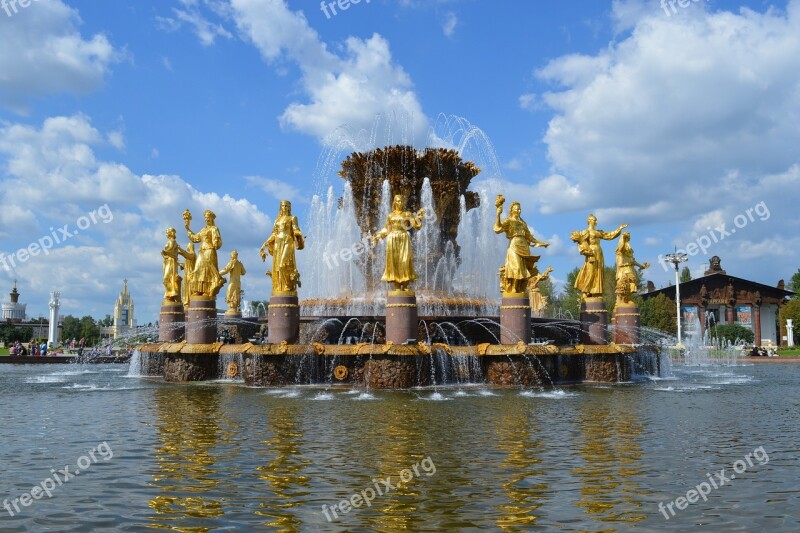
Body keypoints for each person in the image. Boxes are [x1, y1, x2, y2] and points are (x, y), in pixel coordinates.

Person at [493, 195, 549, 294]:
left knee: (523, 269)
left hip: (524, 246)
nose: (519, 211)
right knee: (516, 267)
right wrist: (498, 215)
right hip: (514, 245)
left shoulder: (523, 223)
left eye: (520, 209)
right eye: (516, 209)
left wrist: (540, 243)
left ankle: (519, 288)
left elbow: (529, 236)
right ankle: (513, 288)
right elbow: (498, 229)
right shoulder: (508, 221)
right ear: (511, 210)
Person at [372, 195, 424, 292]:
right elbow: (387, 229)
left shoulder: (407, 214)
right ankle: (396, 285)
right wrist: (378, 236)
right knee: (394, 261)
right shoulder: (390, 216)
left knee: (405, 260)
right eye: (398, 201)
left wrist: (420, 217)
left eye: (401, 201)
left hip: (403, 238)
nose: (400, 203)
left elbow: (416, 226)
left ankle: (405, 284)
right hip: (392, 239)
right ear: (395, 203)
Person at [572, 214, 627, 299]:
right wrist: (585, 251)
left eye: (596, 220)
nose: (596, 222)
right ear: (589, 221)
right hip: (591, 253)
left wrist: (619, 229)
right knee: (590, 272)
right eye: (594, 220)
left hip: (599, 253)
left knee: (598, 272)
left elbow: (609, 235)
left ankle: (595, 292)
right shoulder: (586, 232)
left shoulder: (598, 232)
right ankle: (585, 291)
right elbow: (581, 242)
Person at [261, 200, 304, 294]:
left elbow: (295, 230)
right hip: (277, 243)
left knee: (282, 265)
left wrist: (300, 234)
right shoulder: (277, 220)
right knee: (277, 267)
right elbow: (274, 234)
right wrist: (265, 243)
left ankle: (288, 285)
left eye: (287, 206)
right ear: (280, 207)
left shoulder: (292, 218)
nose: (285, 207)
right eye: (283, 206)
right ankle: (279, 288)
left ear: (289, 208)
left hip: (288, 241)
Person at [184, 209, 225, 299]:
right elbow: (195, 238)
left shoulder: (214, 229)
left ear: (212, 219)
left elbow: (217, 242)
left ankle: (207, 290)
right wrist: (188, 228)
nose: (206, 220)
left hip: (209, 251)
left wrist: (215, 243)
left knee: (207, 271)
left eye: (208, 218)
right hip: (202, 251)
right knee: (198, 269)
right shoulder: (203, 229)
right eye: (205, 218)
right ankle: (198, 290)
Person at [614, 232, 650, 304]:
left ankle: (628, 299)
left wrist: (641, 266)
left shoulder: (629, 247)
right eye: (627, 236)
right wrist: (622, 238)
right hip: (623, 269)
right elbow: (620, 249)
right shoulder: (621, 248)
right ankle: (621, 301)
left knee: (632, 283)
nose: (629, 237)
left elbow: (632, 260)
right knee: (623, 284)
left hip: (630, 268)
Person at [161, 227, 183, 303]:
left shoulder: (173, 241)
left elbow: (173, 254)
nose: (167, 233)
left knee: (167, 278)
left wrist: (165, 252)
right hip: (167, 261)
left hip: (171, 262)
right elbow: (167, 254)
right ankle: (169, 294)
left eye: (168, 232)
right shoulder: (171, 241)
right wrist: (164, 254)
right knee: (167, 278)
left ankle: (172, 294)